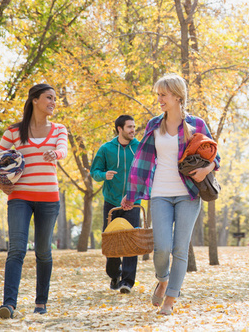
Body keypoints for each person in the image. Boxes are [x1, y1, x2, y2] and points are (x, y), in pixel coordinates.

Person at [121, 73, 220, 315]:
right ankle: (163, 279)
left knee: (180, 248)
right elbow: (141, 161)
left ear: (177, 96)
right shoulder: (155, 124)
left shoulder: (197, 125)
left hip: (188, 194)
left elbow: (215, 158)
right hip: (160, 193)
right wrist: (131, 194)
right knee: (162, 247)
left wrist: (204, 169)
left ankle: (170, 299)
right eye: (159, 95)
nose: (159, 99)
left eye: (163, 95)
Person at [0, 84, 68, 319]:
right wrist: (1, 183)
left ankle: (41, 302)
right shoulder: (14, 131)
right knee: (16, 249)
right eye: (49, 98)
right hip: (19, 197)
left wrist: (54, 154)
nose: (53, 102)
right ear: (35, 100)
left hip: (48, 198)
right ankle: (9, 304)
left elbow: (62, 150)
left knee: (43, 252)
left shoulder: (58, 129)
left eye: (55, 99)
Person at [91, 115, 141, 294]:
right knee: (111, 243)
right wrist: (104, 175)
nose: (133, 130)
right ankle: (114, 274)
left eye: (134, 127)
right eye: (129, 127)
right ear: (119, 129)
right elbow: (94, 172)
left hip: (133, 202)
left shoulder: (139, 148)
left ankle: (127, 281)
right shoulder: (106, 149)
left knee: (132, 241)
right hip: (111, 202)